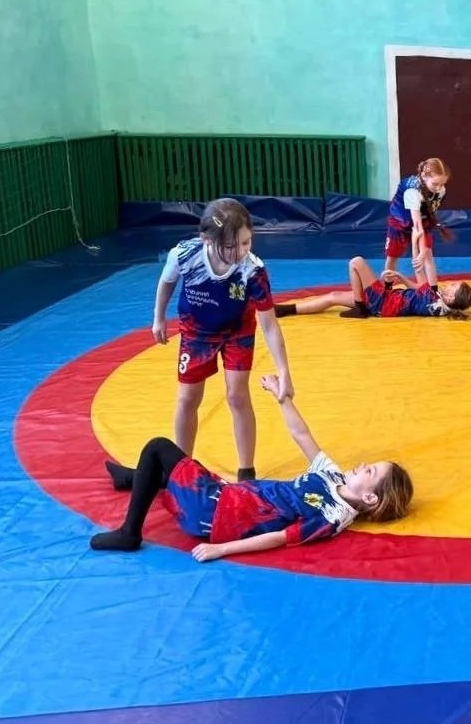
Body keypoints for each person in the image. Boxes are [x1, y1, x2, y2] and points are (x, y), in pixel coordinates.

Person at [90, 374, 413, 561]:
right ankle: (133, 478)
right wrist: (281, 398)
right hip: (231, 495)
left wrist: (221, 549)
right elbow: (302, 435)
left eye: (370, 472)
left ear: (370, 498)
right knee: (176, 470)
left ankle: (130, 532)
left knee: (159, 447)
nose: (362, 465)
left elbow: (279, 537)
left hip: (216, 511)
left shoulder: (333, 515)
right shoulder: (333, 475)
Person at [152, 197, 292, 481]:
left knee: (237, 395)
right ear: (207, 240)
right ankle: (181, 468)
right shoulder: (184, 255)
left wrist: (284, 370)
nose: (240, 252)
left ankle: (246, 470)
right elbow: (166, 281)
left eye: (247, 242)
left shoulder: (253, 270)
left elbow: (269, 324)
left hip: (237, 330)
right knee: (187, 398)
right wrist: (159, 317)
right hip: (197, 331)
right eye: (231, 246)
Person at [274, 256, 471, 320]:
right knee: (333, 296)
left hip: (383, 302)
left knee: (356, 262)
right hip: (386, 302)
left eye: (453, 286)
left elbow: (420, 278)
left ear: (450, 299)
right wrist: (399, 277)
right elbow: (415, 288)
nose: (450, 284)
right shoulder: (437, 301)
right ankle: (286, 309)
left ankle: (360, 307)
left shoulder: (435, 302)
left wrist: (416, 243)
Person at [385, 157, 452, 283]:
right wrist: (420, 253)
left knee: (428, 254)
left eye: (442, 184)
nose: (439, 188)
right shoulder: (412, 192)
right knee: (393, 255)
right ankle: (387, 287)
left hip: (421, 217)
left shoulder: (440, 191)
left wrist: (423, 251)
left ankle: (433, 289)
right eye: (435, 184)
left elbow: (428, 215)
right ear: (424, 176)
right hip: (400, 220)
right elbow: (417, 225)